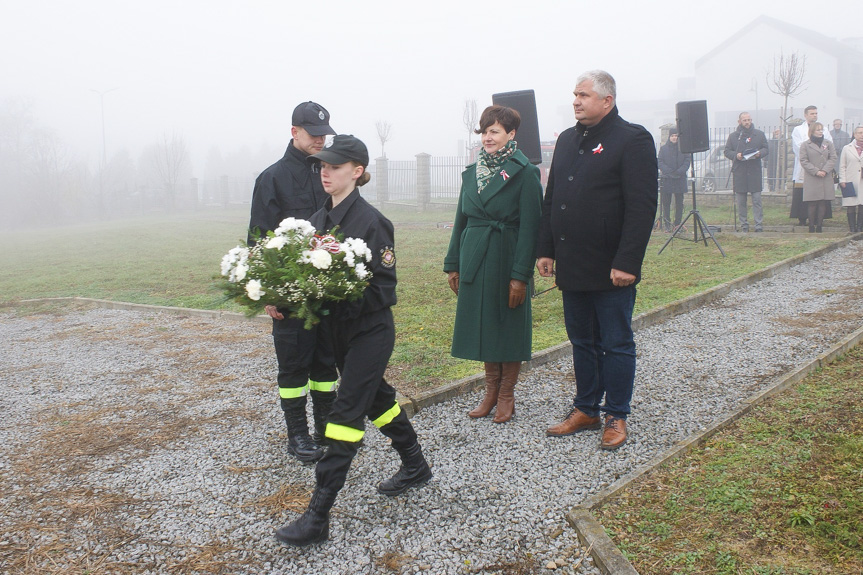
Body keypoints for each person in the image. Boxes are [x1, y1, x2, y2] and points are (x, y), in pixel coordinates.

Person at [275, 135, 432, 547]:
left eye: (335, 166)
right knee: (377, 399)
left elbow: (384, 290)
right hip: (337, 335)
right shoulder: (316, 221)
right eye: (322, 165)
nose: (325, 171)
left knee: (345, 417)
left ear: (357, 171)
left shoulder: (372, 222)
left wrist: (339, 289)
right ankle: (415, 464)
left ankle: (317, 515)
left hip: (370, 332)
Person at [537, 70, 657, 451]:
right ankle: (586, 408)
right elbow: (553, 197)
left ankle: (616, 414)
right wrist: (546, 249)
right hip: (573, 263)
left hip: (611, 267)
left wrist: (628, 262)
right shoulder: (569, 140)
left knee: (616, 342)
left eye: (583, 95)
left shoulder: (632, 139)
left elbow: (641, 207)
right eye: (574, 94)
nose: (576, 100)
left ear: (607, 100)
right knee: (582, 341)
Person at [247, 101, 339, 464]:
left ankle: (326, 426)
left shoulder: (329, 172)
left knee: (325, 362)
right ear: (293, 132)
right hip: (290, 291)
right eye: (313, 134)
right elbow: (259, 238)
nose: (320, 140)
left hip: (328, 288)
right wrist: (268, 290)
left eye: (323, 134)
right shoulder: (272, 178)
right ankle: (297, 435)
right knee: (294, 363)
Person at [443, 105, 543, 423]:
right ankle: (489, 391)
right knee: (484, 325)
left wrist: (520, 276)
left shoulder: (525, 172)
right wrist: (453, 263)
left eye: (495, 131)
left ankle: (506, 395)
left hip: (506, 255)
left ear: (511, 134)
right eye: (485, 131)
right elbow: (461, 220)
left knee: (507, 326)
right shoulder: (472, 173)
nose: (488, 137)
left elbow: (531, 227)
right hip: (475, 256)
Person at [723, 112, 769, 232]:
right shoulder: (734, 136)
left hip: (754, 171)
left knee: (757, 200)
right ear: (739, 122)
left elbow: (766, 148)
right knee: (741, 202)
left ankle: (758, 225)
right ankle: (744, 225)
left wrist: (760, 153)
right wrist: (736, 155)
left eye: (749, 120)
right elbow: (727, 151)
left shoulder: (759, 134)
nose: (747, 122)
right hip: (740, 173)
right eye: (744, 120)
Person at [791, 106, 833, 226]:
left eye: (816, 113)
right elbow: (798, 148)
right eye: (812, 113)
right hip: (805, 167)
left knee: (820, 193)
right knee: (804, 193)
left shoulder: (824, 129)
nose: (814, 115)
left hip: (821, 166)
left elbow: (829, 146)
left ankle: (819, 219)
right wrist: (812, 162)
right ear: (806, 115)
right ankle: (803, 218)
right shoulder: (798, 130)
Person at [799, 122, 838, 233]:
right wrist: (816, 171)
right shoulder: (805, 145)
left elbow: (833, 158)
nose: (821, 132)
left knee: (822, 202)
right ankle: (811, 226)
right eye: (818, 130)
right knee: (812, 202)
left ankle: (820, 226)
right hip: (812, 177)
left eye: (822, 129)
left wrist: (825, 170)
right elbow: (804, 160)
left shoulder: (828, 143)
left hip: (825, 176)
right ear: (812, 131)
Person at [657, 127, 690, 232]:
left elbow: (687, 162)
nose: (674, 138)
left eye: (676, 135)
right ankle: (667, 223)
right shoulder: (663, 149)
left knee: (679, 203)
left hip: (680, 179)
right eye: (672, 136)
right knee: (666, 203)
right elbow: (660, 162)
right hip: (667, 179)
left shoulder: (683, 148)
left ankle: (677, 224)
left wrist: (679, 171)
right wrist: (669, 171)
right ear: (669, 137)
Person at [837, 126, 863, 232]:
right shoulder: (847, 148)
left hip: (862, 181)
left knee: (862, 204)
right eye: (860, 133)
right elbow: (842, 165)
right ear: (855, 134)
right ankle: (852, 228)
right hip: (850, 180)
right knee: (851, 204)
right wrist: (842, 179)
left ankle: (860, 228)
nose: (862, 135)